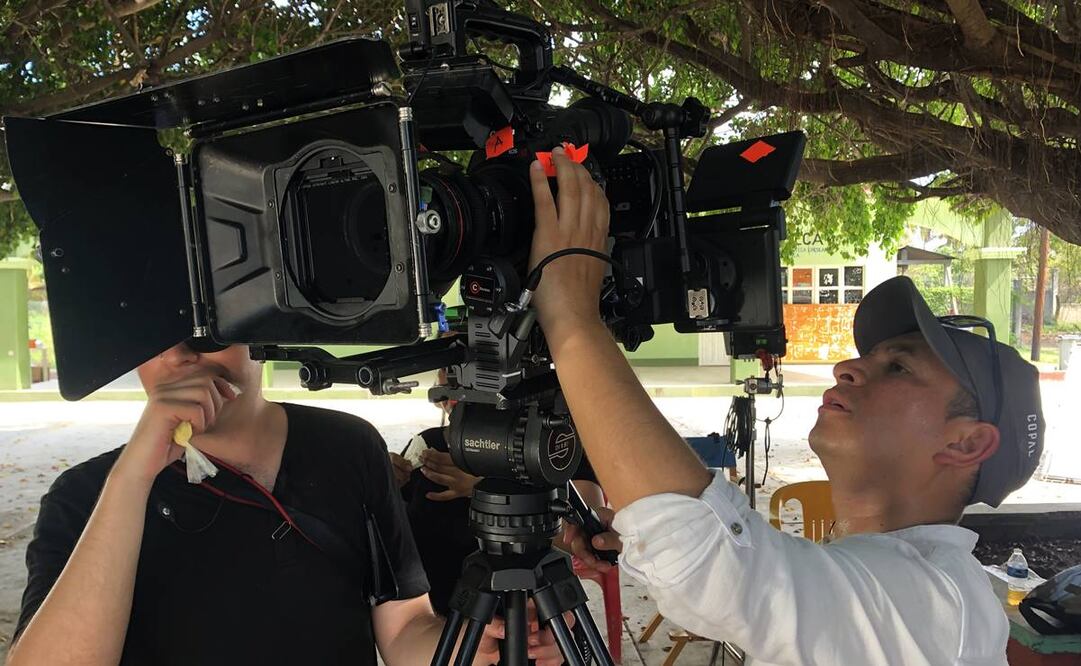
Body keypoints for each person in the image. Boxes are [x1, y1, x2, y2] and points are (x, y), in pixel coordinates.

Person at [531, 147, 1044, 665]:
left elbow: (717, 568)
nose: (848, 366)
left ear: (967, 442)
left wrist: (571, 317)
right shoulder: (894, 581)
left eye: (899, 367)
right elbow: (749, 575)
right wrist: (629, 540)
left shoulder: (934, 601)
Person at [8, 341, 566, 666]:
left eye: (205, 330)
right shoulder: (86, 494)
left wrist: (474, 648)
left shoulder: (347, 446)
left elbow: (402, 628)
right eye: (154, 337)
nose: (180, 355)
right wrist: (134, 474)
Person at [389, 369, 606, 616]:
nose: (457, 378)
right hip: (436, 610)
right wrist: (387, 484)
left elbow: (581, 541)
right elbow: (395, 533)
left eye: (473, 364)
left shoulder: (555, 442)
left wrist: (488, 489)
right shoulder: (430, 443)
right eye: (449, 367)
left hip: (527, 611)